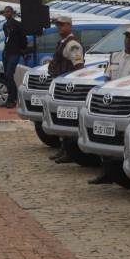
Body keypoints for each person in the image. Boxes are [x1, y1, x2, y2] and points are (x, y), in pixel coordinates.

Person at [88, 28, 130, 185]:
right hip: (110, 102)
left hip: (126, 105)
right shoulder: (115, 56)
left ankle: (122, 174)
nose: (128, 40)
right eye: (126, 37)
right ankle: (106, 173)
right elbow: (107, 76)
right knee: (105, 136)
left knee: (120, 140)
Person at [48, 16, 86, 164]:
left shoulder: (73, 45)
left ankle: (70, 152)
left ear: (69, 26)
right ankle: (64, 149)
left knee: (68, 120)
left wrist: (73, 85)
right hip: (61, 86)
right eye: (58, 25)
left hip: (68, 88)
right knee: (62, 119)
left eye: (62, 25)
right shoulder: (64, 42)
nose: (60, 28)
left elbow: (78, 67)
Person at [1, 6, 26, 109]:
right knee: (6, 76)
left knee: (9, 74)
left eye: (8, 12)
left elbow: (23, 39)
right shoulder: (5, 25)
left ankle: (13, 99)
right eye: (5, 12)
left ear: (12, 13)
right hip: (7, 52)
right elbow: (7, 38)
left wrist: (23, 50)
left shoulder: (17, 25)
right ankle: (9, 99)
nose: (6, 13)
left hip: (15, 53)